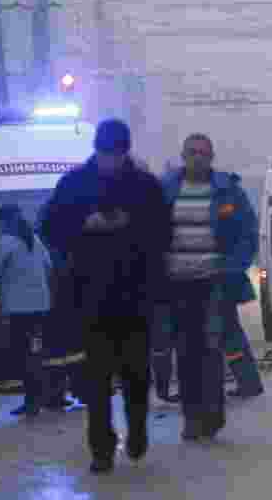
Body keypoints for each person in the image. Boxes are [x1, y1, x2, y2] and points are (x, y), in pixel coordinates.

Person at [38, 119, 172, 473]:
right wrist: (85, 225)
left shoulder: (145, 186)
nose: (111, 161)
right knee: (95, 379)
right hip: (90, 297)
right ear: (96, 150)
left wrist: (132, 227)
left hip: (135, 296)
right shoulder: (74, 184)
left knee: (136, 375)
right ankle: (101, 448)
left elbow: (162, 234)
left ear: (126, 151)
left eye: (116, 154)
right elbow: (49, 227)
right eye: (105, 154)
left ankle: (138, 431)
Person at [161, 133, 258, 441]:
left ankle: (213, 416)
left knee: (211, 350)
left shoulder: (228, 190)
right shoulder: (165, 190)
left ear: (212, 157)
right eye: (192, 152)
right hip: (177, 286)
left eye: (203, 153)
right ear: (183, 155)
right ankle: (192, 419)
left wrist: (231, 266)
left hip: (214, 285)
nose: (197, 157)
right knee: (186, 354)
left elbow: (248, 233)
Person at [0, 205, 53, 417]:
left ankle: (32, 401)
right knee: (35, 352)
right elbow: (48, 266)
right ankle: (39, 397)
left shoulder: (5, 242)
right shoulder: (34, 239)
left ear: (3, 221)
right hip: (40, 307)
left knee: (24, 354)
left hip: (19, 309)